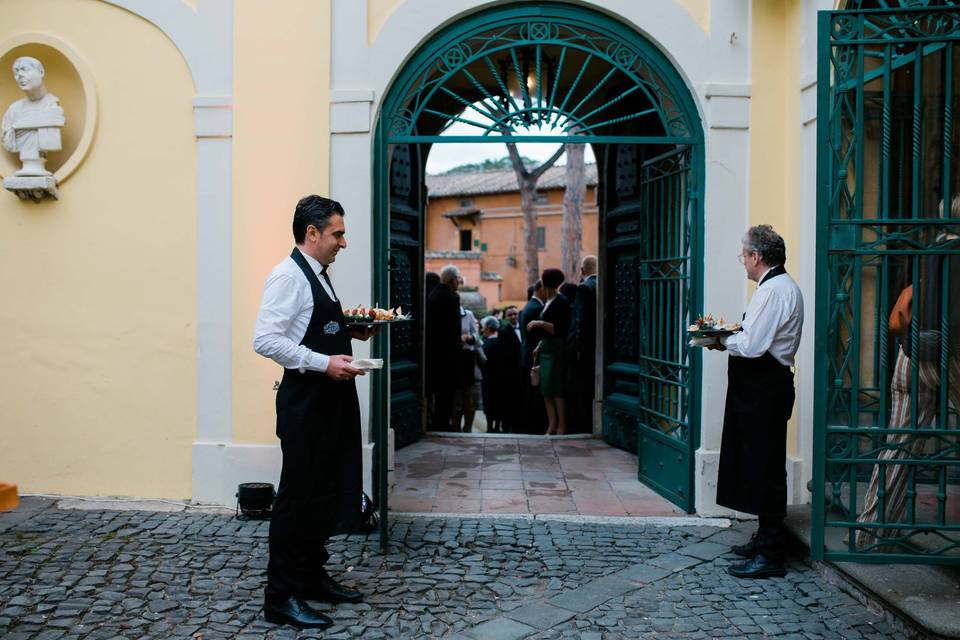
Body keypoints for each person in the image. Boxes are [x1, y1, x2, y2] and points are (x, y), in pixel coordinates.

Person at [253, 195, 377, 629]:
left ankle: (309, 577)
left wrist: (350, 331)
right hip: (306, 403)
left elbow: (313, 326)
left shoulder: (319, 276)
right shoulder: (287, 277)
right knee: (296, 500)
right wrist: (325, 363)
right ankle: (280, 596)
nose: (343, 242)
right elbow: (265, 339)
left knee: (322, 492)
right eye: (337, 233)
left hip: (330, 402)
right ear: (312, 233)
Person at [705, 225, 803, 579]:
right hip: (765, 387)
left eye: (744, 255)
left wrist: (718, 340)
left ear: (756, 257)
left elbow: (753, 345)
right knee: (761, 464)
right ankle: (764, 539)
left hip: (766, 388)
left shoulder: (774, 291)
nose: (743, 262)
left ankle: (771, 553)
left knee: (766, 468)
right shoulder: (777, 287)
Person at [526, 268, 572, 435]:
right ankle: (551, 425)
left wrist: (539, 323)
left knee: (556, 388)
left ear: (545, 282)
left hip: (556, 348)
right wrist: (539, 346)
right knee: (545, 389)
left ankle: (561, 426)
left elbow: (560, 329)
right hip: (546, 347)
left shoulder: (562, 302)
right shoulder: (548, 302)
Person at [2, 57, 64, 177]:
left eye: (25, 69)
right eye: (16, 72)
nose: (19, 75)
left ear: (41, 72)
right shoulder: (14, 110)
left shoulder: (52, 106)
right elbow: (7, 139)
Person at [425, 265, 463, 431]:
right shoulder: (452, 297)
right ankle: (442, 424)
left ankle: (434, 422)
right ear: (453, 279)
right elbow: (455, 330)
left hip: (432, 353)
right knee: (446, 394)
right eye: (458, 279)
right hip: (447, 355)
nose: (459, 282)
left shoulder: (432, 295)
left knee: (435, 391)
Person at [568, 255, 598, 433]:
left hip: (586, 350)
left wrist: (577, 349)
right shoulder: (605, 284)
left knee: (583, 391)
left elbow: (580, 322)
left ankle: (584, 425)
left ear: (582, 270)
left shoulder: (584, 288)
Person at [517, 281, 547, 434]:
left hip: (526, 355)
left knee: (530, 393)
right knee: (534, 395)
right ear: (541, 289)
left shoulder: (528, 307)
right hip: (534, 356)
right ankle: (534, 427)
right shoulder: (536, 308)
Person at [452, 302, 483, 432]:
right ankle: (455, 427)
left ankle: (468, 427)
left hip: (467, 357)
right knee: (456, 395)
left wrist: (468, 337)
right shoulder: (448, 315)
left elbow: (477, 337)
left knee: (468, 395)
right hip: (453, 357)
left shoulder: (468, 315)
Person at [498, 305, 524, 433]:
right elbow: (503, 355)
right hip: (510, 373)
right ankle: (508, 426)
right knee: (509, 401)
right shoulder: (503, 332)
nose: (513, 316)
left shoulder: (524, 329)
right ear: (506, 317)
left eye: (515, 314)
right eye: (510, 315)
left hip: (522, 372)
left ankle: (520, 425)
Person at [479, 315, 506, 432]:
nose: (481, 330)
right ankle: (497, 426)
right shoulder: (503, 342)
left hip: (488, 378)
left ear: (489, 328)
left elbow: (482, 362)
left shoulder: (485, 345)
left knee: (489, 402)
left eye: (483, 327)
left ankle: (490, 427)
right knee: (500, 400)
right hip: (502, 378)